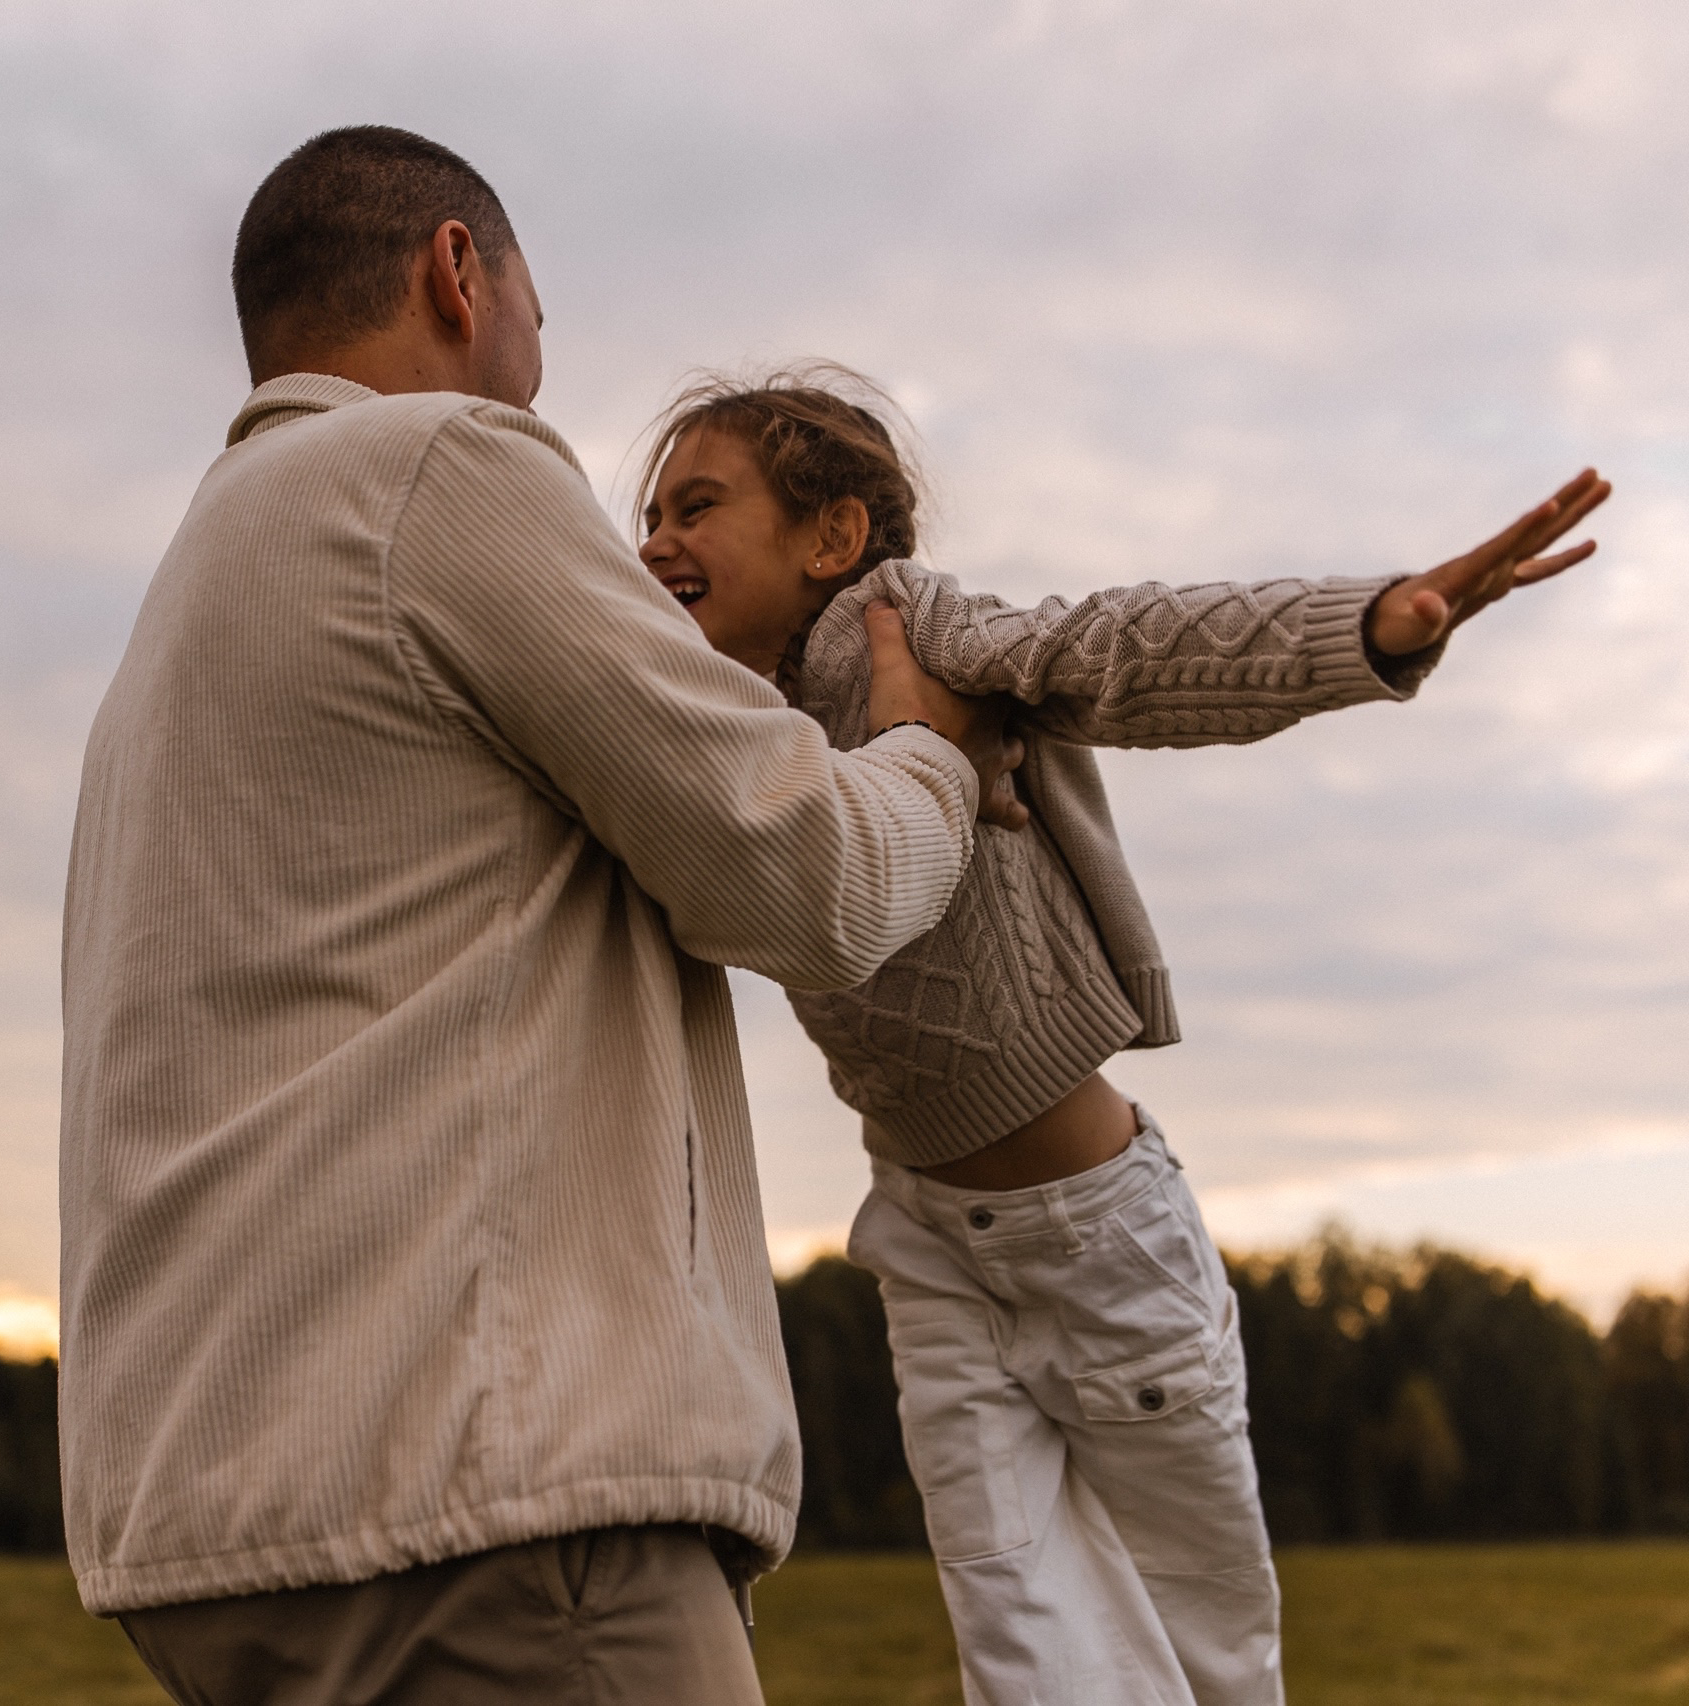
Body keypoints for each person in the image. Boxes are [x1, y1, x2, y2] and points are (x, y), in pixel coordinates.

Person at [59, 132, 1025, 1703]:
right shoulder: (437, 468)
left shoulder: (189, 599)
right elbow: (811, 875)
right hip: (483, 1502)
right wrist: (931, 750)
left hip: (205, 1530)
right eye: (537, 313)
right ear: (458, 273)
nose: (536, 362)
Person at [634, 364, 1609, 1706]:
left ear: (833, 535)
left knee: (1214, 1659)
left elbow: (1129, 647)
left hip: (1103, 1244)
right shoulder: (724, 729)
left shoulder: (912, 629)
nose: (657, 541)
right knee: (1025, 1655)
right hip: (928, 1249)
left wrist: (1369, 626)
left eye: (697, 506)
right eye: (650, 516)